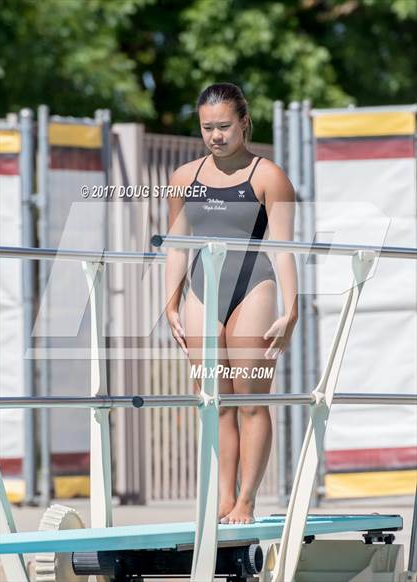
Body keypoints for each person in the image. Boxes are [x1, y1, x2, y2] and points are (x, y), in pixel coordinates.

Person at [165, 82, 298, 524]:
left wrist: (292, 307)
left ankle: (247, 499)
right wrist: (170, 302)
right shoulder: (185, 178)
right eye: (208, 128)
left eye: (224, 126)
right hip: (203, 291)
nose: (216, 135)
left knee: (252, 401)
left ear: (244, 122)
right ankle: (224, 496)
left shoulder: (269, 177)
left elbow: (283, 248)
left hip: (253, 290)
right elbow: (177, 246)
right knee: (214, 400)